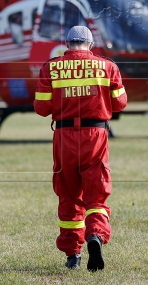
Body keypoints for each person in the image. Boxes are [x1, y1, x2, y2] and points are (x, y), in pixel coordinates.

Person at [34, 26, 127, 271]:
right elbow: (120, 103)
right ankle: (95, 235)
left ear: (67, 43)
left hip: (64, 137)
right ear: (90, 43)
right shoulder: (107, 66)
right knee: (96, 194)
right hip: (95, 136)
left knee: (68, 193)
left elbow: (41, 109)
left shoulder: (50, 68)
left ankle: (72, 255)